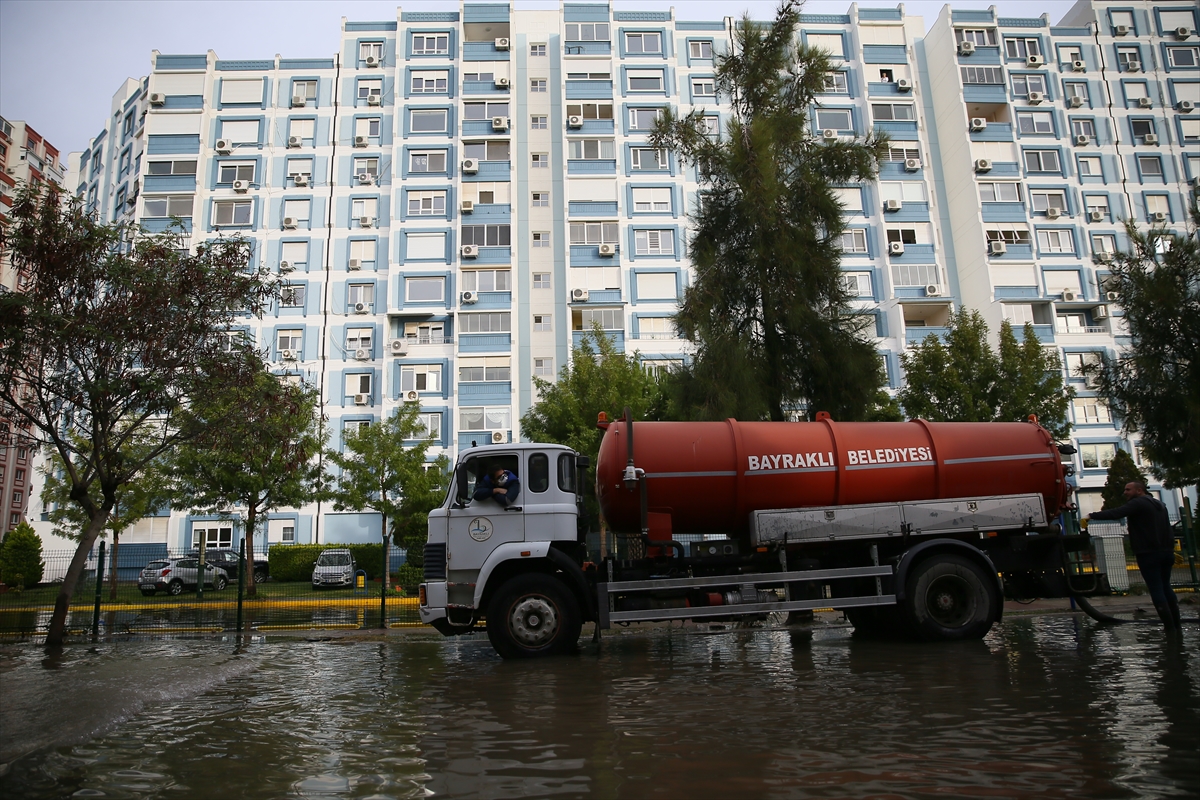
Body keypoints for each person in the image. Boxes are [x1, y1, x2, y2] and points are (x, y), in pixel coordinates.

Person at [1089, 481, 1181, 631]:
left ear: (1139, 490)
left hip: (1148, 553)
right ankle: (1176, 626)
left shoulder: (1138, 503)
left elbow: (1116, 513)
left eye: (1128, 489)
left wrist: (1091, 515)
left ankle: (1169, 629)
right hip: (1166, 552)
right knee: (1166, 587)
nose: (1125, 492)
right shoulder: (1160, 504)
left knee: (1156, 589)